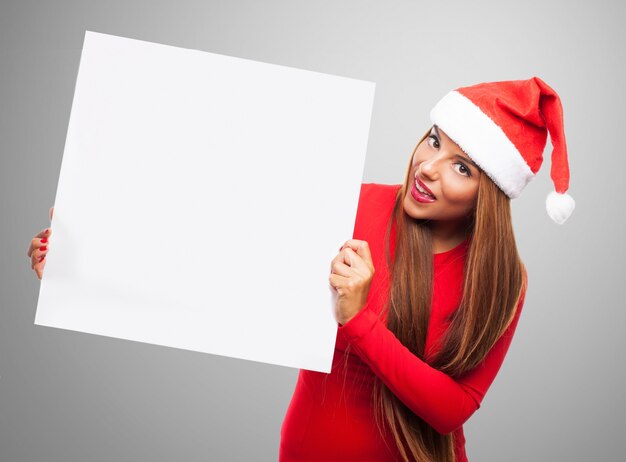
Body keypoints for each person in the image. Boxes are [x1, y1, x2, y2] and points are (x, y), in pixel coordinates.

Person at [28, 77, 574, 462]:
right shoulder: (352, 203)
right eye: (434, 140)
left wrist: (359, 321)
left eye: (461, 167)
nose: (427, 167)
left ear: (493, 195)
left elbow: (452, 409)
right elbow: (215, 248)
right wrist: (84, 261)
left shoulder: (504, 281)